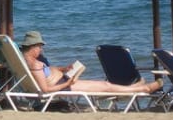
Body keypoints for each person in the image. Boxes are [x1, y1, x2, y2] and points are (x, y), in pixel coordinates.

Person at [18, 31, 161, 94]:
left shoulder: (25, 60)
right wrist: (67, 84)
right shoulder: (35, 64)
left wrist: (62, 69)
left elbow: (45, 74)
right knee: (105, 86)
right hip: (62, 86)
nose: (41, 50)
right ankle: (144, 89)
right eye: (39, 47)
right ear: (33, 46)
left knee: (106, 85)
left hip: (62, 79)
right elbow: (45, 90)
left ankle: (135, 87)